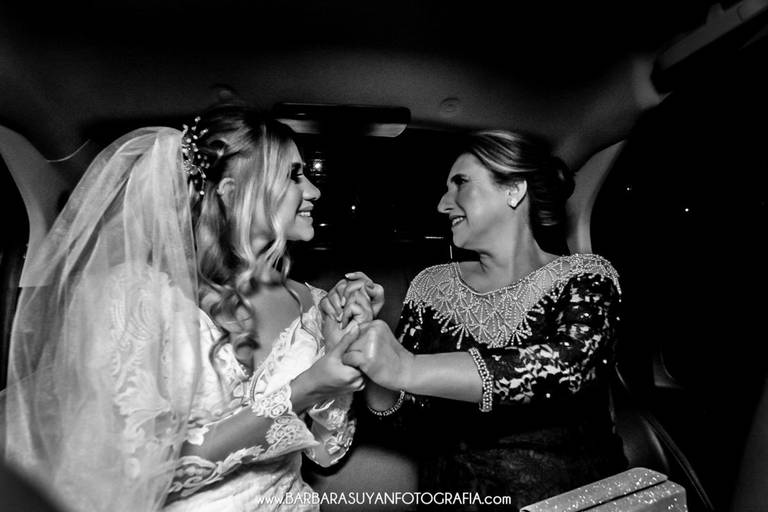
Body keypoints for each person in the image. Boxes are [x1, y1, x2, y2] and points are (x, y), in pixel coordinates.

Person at [0, 104, 374, 512]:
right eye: (293, 175)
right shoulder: (138, 298)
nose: (314, 191)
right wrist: (304, 388)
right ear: (232, 192)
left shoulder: (316, 304)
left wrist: (341, 347)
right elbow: (140, 474)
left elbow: (325, 454)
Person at [331, 129, 628, 509]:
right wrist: (369, 345)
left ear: (513, 190)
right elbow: (400, 421)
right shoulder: (431, 285)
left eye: (461, 183)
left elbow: (566, 367)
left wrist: (408, 367)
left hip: (570, 498)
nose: (443, 204)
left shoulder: (585, 277)